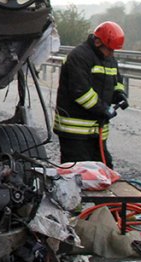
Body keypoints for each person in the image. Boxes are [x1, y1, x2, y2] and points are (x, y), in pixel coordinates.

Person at [55, 21, 128, 166]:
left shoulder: (109, 58)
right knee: (77, 174)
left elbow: (117, 80)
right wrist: (104, 109)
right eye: (110, 49)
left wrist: (119, 93)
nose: (112, 54)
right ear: (97, 42)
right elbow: (81, 92)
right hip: (75, 131)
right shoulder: (79, 57)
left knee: (103, 170)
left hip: (97, 131)